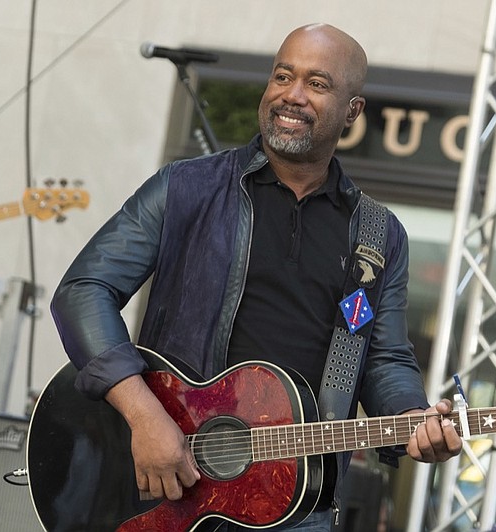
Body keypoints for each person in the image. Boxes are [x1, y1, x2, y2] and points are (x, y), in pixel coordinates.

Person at [50, 23, 462, 531]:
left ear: (352, 111)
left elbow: (383, 358)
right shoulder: (186, 188)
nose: (292, 95)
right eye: (283, 76)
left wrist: (413, 422)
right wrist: (143, 415)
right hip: (175, 485)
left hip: (298, 508)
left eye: (317, 83)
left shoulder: (378, 235)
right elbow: (82, 291)